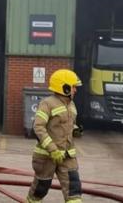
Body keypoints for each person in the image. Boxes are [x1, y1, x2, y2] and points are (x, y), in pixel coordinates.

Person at [27, 69, 83, 203]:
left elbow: (68, 124)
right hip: (46, 157)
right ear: (65, 88)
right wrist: (53, 149)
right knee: (41, 188)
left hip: (67, 155)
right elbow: (38, 127)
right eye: (73, 87)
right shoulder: (47, 103)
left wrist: (75, 130)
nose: (75, 90)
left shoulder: (72, 104)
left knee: (74, 188)